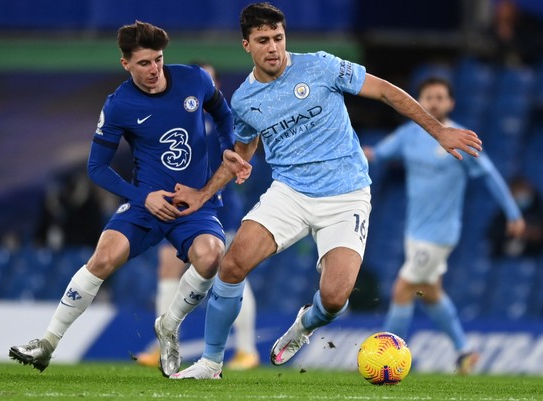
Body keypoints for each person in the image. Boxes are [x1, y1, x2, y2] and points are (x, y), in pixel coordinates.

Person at [169, 2, 483, 380]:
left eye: (278, 38)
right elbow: (243, 151)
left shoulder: (320, 65)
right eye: (263, 40)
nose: (273, 47)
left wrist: (439, 130)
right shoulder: (245, 100)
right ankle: (210, 363)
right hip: (290, 193)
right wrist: (204, 194)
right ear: (246, 45)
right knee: (233, 264)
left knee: (335, 299)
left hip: (346, 195)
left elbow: (383, 91)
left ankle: (304, 325)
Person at [8, 21, 251, 377]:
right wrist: (143, 196)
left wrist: (228, 146)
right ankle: (47, 343)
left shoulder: (194, 78)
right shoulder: (120, 104)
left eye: (158, 60)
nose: (154, 70)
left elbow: (221, 110)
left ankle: (169, 325)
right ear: (126, 64)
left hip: (192, 204)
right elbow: (97, 168)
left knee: (211, 256)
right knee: (104, 257)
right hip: (145, 203)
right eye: (143, 63)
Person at [362, 77, 525, 375]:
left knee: (403, 289)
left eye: (440, 97)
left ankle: (385, 357)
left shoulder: (459, 138)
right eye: (428, 97)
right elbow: (378, 154)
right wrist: (352, 155)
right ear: (419, 102)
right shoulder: (409, 134)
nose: (434, 102)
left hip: (440, 234)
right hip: (414, 231)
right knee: (431, 293)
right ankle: (465, 352)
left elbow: (489, 174)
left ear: (451, 103)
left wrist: (513, 212)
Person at [135, 62, 260, 370]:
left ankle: (247, 349)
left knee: (230, 272)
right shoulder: (172, 117)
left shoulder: (224, 120)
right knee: (167, 268)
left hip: (217, 209)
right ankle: (164, 343)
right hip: (176, 208)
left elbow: (238, 159)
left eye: (209, 80)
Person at [488, 175, 543, 259]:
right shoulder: (504, 215)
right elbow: (494, 242)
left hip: (538, 257)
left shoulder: (541, 210)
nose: (520, 195)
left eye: (522, 190)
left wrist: (540, 235)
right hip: (512, 259)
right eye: (516, 191)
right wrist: (513, 234)